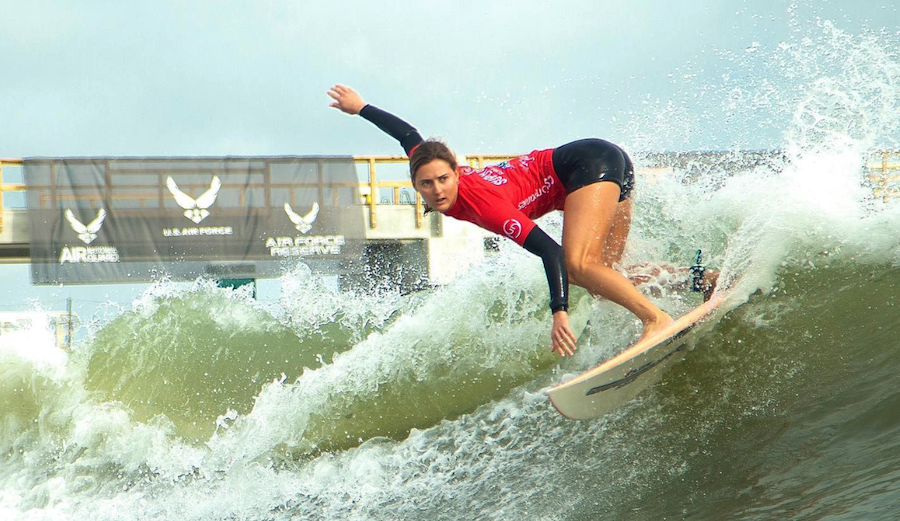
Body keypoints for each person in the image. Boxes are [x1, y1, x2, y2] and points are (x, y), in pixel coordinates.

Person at [328, 84, 683, 358]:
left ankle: (655, 320)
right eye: (426, 183)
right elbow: (408, 135)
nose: (437, 189)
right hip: (604, 160)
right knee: (604, 276)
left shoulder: (484, 205)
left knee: (577, 266)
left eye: (443, 179)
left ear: (455, 173)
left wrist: (559, 312)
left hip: (587, 165)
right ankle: (696, 279)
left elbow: (550, 252)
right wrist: (360, 108)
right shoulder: (434, 167)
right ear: (416, 185)